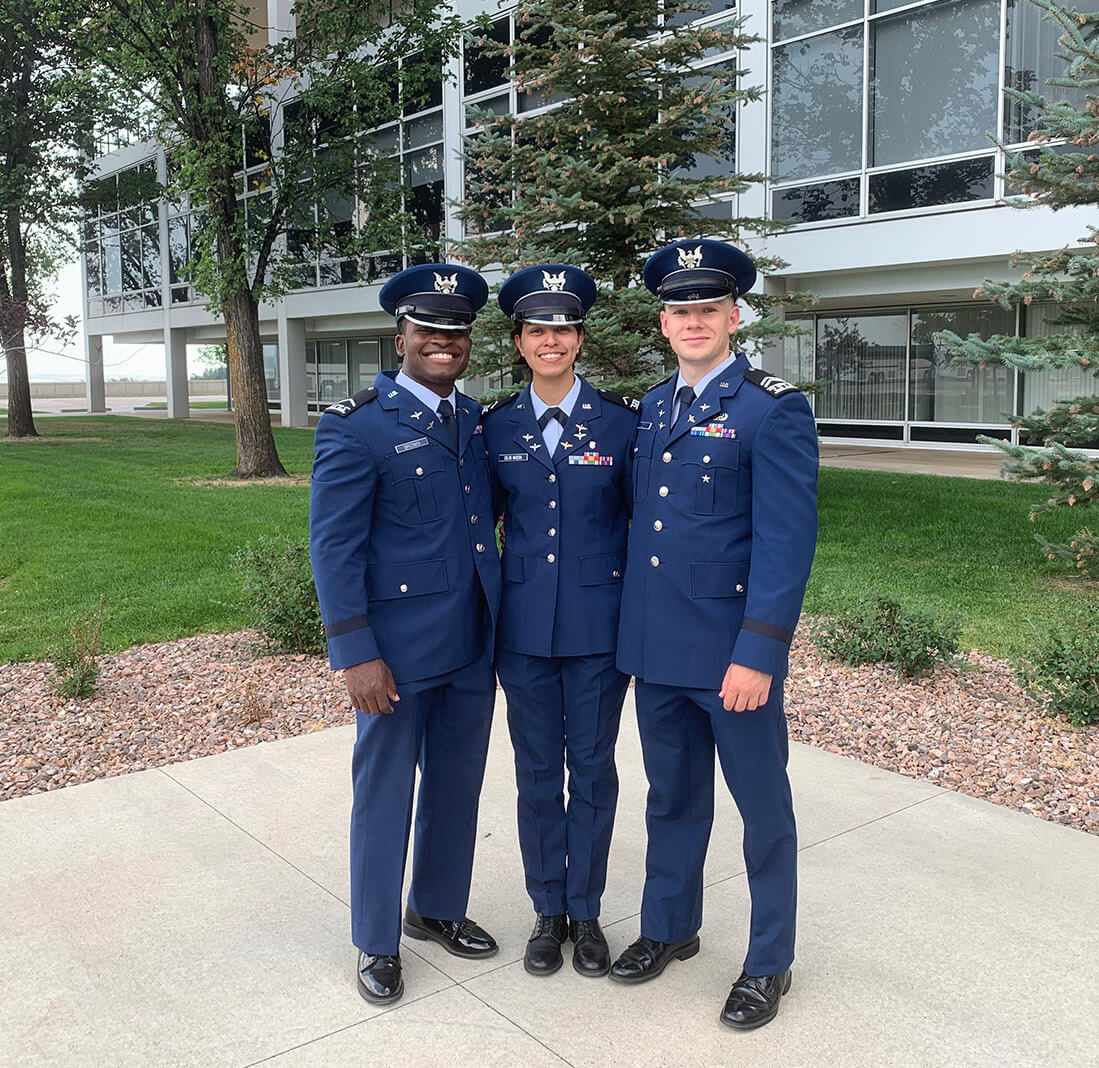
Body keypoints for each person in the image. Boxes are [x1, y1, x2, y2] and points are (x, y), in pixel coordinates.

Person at [609, 239, 819, 1031]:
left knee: (763, 813)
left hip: (733, 660)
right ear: (664, 323)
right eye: (680, 311)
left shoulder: (773, 408)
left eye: (708, 309)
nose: (693, 322)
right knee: (671, 800)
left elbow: (785, 543)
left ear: (733, 317)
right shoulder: (654, 408)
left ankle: (770, 962)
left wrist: (759, 652)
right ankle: (669, 928)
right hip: (659, 651)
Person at [309, 262, 503, 1007]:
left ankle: (437, 908)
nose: (443, 343)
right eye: (429, 331)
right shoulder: (357, 426)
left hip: (470, 644)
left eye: (455, 333)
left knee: (457, 787)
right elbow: (333, 547)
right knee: (385, 793)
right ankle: (376, 941)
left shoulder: (474, 423)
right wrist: (355, 650)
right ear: (402, 338)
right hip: (393, 653)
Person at [481, 264, 639, 979]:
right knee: (537, 772)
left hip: (598, 632)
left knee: (595, 771)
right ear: (519, 342)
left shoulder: (624, 424)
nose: (551, 341)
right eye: (537, 330)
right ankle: (547, 910)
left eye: (563, 329)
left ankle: (587, 909)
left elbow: (644, 530)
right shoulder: (495, 427)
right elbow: (479, 528)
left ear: (580, 339)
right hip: (523, 634)